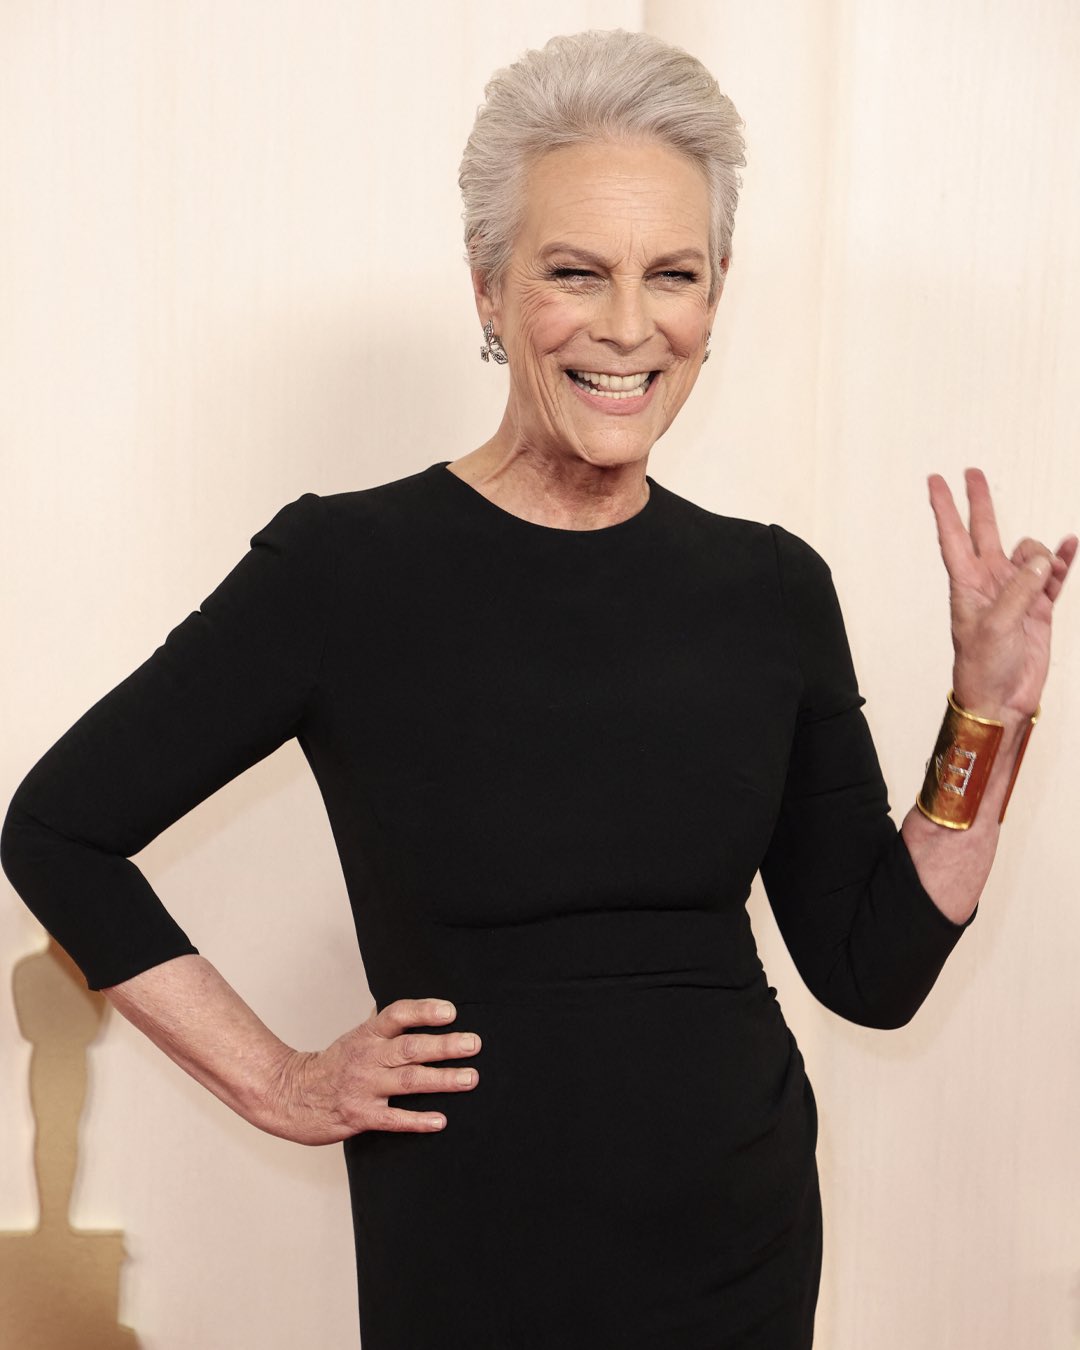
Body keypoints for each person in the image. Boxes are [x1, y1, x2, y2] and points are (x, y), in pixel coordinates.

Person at [1, 27, 1075, 1350]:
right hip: (467, 1250)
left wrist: (989, 713)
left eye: (672, 275)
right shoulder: (343, 569)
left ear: (714, 299)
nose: (629, 326)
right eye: (577, 272)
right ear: (489, 291)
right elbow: (59, 830)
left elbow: (873, 971)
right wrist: (279, 1080)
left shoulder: (771, 586)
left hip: (739, 1245)